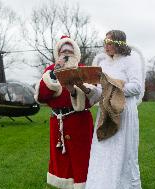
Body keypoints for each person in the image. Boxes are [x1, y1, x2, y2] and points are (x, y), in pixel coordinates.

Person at [34, 36, 101, 189]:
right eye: (63, 51)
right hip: (58, 122)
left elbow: (92, 100)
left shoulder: (83, 69)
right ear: (57, 53)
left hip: (79, 122)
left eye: (70, 51)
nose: (66, 54)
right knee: (61, 160)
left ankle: (85, 185)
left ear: (75, 52)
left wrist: (73, 91)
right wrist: (54, 72)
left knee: (82, 158)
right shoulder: (49, 70)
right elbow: (42, 97)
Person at [85, 30, 146, 189]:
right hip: (105, 112)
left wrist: (113, 87)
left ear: (119, 44)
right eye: (105, 42)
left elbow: (137, 87)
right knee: (103, 154)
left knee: (123, 154)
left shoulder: (131, 60)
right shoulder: (103, 64)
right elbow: (100, 92)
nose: (106, 46)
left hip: (124, 112)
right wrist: (86, 89)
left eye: (110, 43)